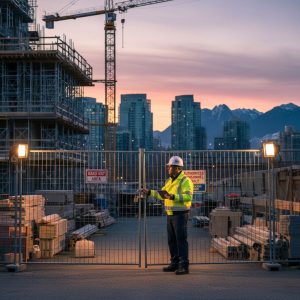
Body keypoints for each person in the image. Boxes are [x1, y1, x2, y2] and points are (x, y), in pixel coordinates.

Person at [142, 156, 194, 275]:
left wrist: (173, 197)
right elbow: (162, 194)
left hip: (180, 215)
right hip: (170, 215)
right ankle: (174, 263)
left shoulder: (186, 181)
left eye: (170, 166)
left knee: (181, 240)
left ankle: (184, 265)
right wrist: (149, 192)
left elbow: (188, 197)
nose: (168, 168)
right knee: (172, 241)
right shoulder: (169, 181)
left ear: (177, 168)